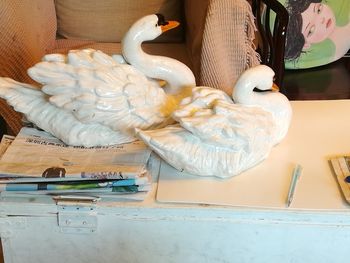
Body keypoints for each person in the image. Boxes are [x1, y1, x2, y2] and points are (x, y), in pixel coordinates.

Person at [285, 0, 350, 66]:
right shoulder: (329, 53)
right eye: (311, 30)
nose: (322, 20)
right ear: (305, 44)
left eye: (319, 10)